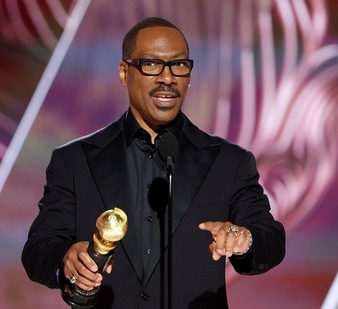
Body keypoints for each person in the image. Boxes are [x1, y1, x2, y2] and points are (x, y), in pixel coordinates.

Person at [22, 17, 285, 308]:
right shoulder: (74, 161)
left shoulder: (228, 162)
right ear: (124, 72)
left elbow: (270, 239)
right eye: (151, 64)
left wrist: (244, 239)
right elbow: (39, 248)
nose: (167, 78)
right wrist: (66, 260)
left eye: (179, 65)